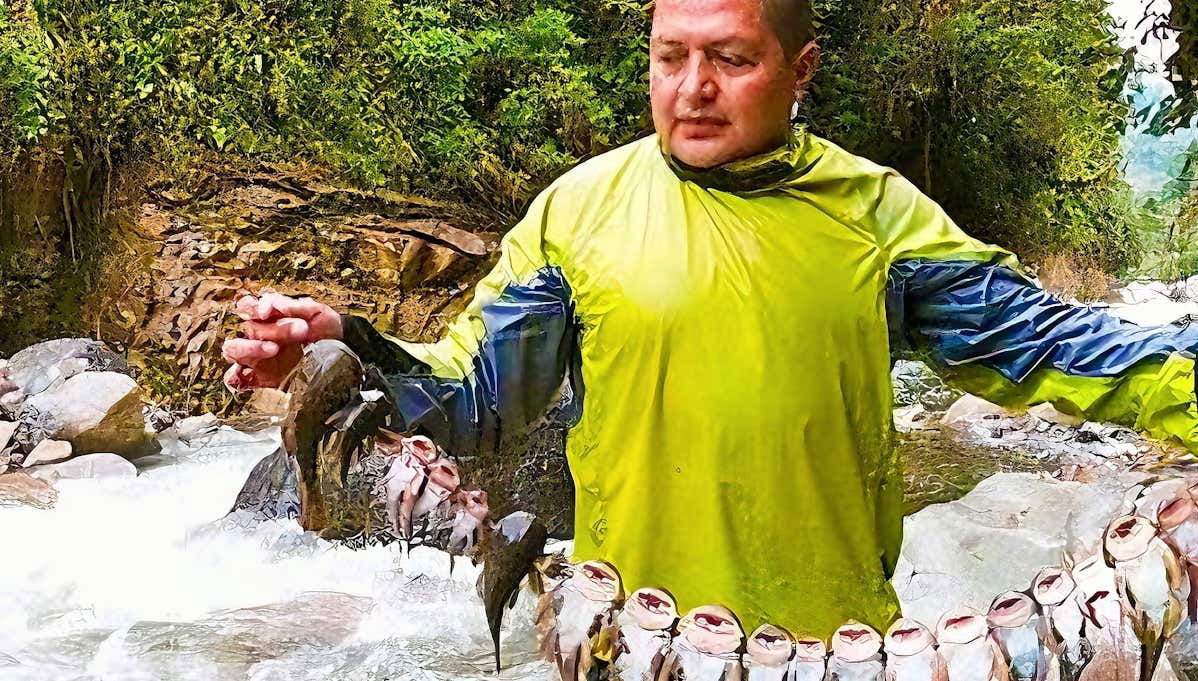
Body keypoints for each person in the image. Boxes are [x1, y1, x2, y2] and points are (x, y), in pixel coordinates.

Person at [222, 0, 1198, 638]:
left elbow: (1056, 350)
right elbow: (474, 399)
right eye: (669, 56)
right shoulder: (580, 211)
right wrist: (349, 353)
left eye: (730, 58)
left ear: (800, 66)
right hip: (625, 640)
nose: (692, 88)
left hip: (833, 648)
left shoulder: (877, 219)